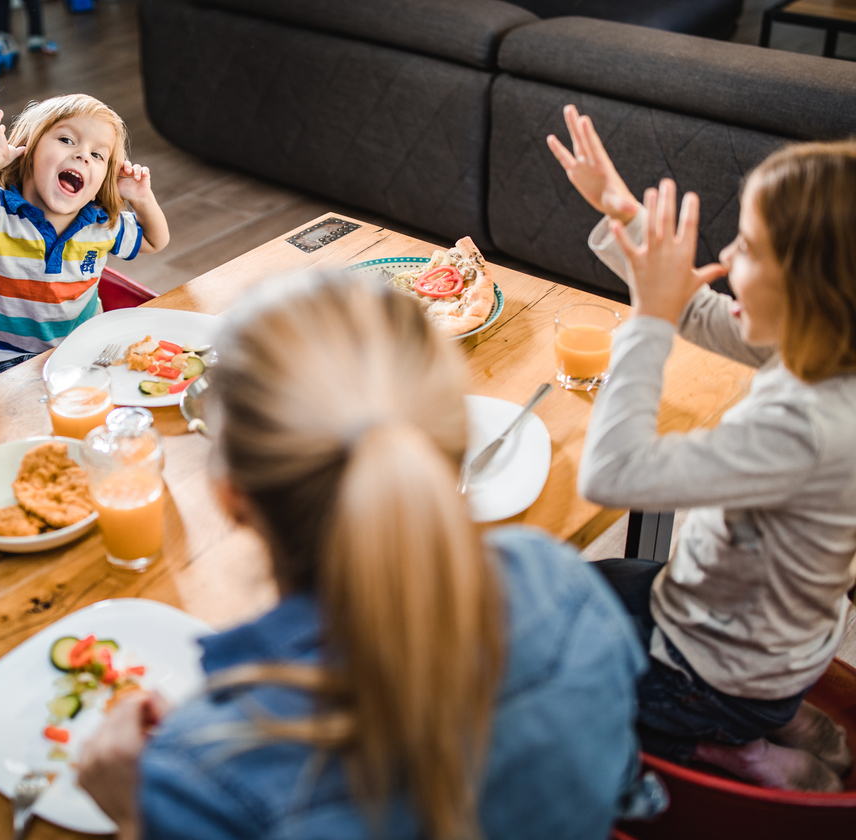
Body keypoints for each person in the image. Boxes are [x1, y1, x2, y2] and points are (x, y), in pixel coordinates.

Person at [75, 272, 647, 840]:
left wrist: (136, 816)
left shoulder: (197, 784)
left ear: (230, 497)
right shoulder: (566, 584)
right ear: (453, 448)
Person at [549, 105, 856, 791]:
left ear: (809, 289)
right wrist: (622, 211)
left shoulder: (803, 428)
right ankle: (777, 714)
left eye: (748, 247)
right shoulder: (829, 349)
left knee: (558, 672)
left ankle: (742, 751)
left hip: (713, 666)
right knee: (577, 587)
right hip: (768, 633)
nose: (725, 259)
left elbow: (612, 469)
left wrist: (648, 320)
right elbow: (698, 308)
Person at [0, 93, 168, 375]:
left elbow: (155, 241)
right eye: (67, 140)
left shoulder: (101, 223)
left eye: (97, 155)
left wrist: (141, 197)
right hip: (14, 360)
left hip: (90, 348)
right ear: (27, 149)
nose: (82, 155)